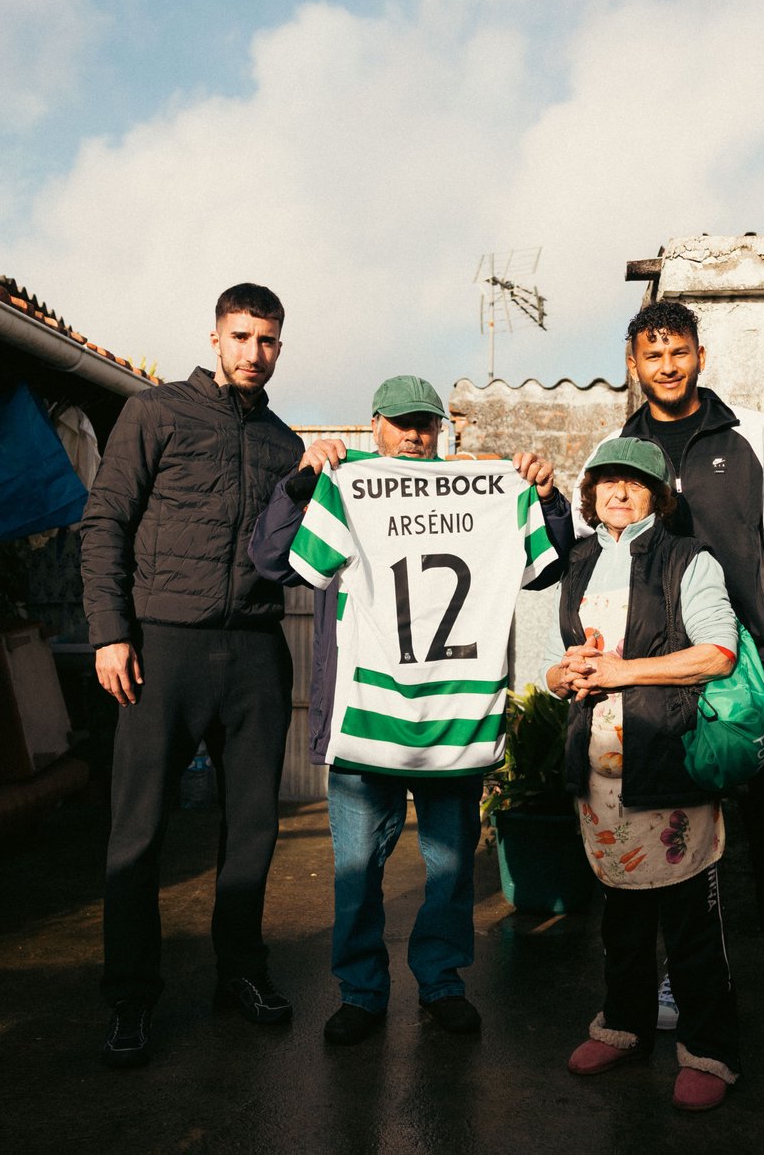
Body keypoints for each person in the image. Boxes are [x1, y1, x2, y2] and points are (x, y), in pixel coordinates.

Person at [249, 374, 573, 1045]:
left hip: (452, 716)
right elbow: (273, 560)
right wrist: (305, 482)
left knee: (451, 867)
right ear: (376, 428)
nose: (414, 434)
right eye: (400, 423)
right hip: (365, 716)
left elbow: (546, 566)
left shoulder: (486, 492)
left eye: (424, 422)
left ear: (440, 430)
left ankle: (441, 983)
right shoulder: (344, 487)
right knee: (356, 870)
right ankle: (362, 992)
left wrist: (545, 495)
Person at [574, 299, 764, 1042]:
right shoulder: (614, 448)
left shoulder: (752, 435)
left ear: (698, 355)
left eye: (679, 351)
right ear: (633, 364)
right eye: (652, 354)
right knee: (674, 828)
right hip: (654, 675)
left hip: (751, 663)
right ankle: (678, 972)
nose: (667, 365)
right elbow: (588, 552)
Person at [81, 283, 304, 1068]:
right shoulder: (157, 412)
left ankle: (239, 975)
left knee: (252, 828)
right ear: (214, 339)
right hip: (161, 648)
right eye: (241, 337)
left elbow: (300, 555)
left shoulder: (285, 444)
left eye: (268, 340)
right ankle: (132, 998)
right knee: (137, 832)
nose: (254, 353)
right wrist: (110, 632)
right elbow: (104, 519)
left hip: (253, 651)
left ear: (281, 345)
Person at [543, 437, 740, 1111]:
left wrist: (626, 672)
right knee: (621, 912)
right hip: (600, 771)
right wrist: (561, 673)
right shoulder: (577, 563)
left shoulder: (688, 560)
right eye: (607, 483)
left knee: (688, 916)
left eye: (635, 483)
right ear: (591, 492)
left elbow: (718, 652)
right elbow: (556, 664)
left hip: (668, 760)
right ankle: (623, 1024)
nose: (619, 494)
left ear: (659, 496)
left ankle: (709, 1048)